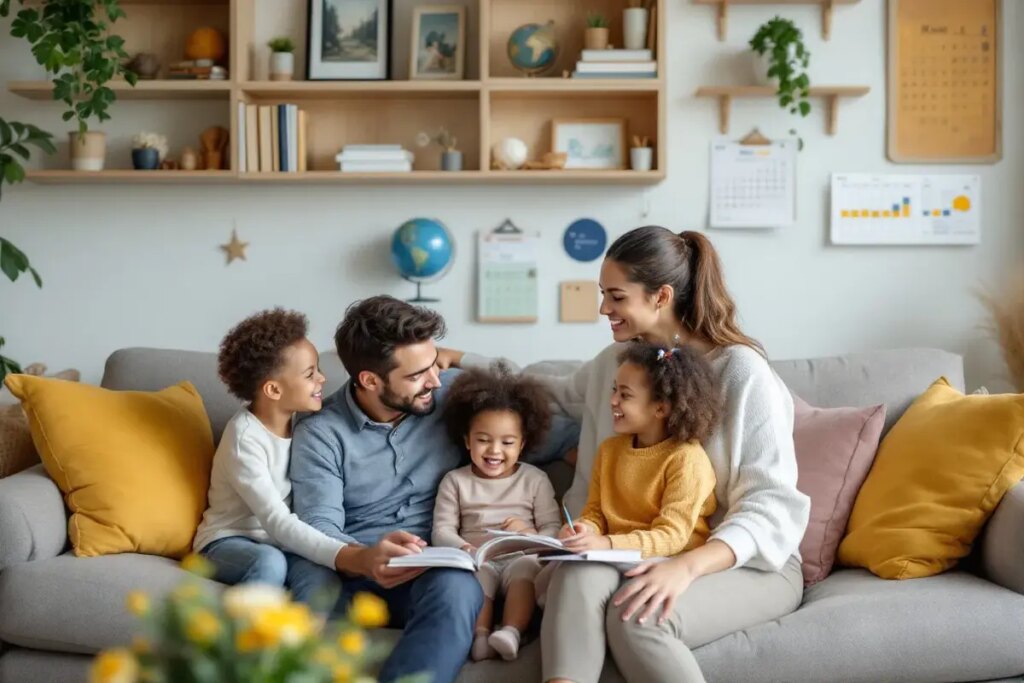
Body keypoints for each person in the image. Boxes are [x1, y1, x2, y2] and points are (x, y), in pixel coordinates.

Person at [441, 226, 811, 682]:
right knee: (575, 575)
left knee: (636, 616)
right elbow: (543, 393)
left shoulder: (742, 372)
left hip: (740, 562)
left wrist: (684, 568)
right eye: (602, 294)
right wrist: (460, 358)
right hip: (631, 551)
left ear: (661, 296)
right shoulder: (615, 366)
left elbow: (771, 506)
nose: (603, 309)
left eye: (615, 296)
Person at [285, 295, 578, 683]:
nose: (436, 381)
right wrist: (364, 558)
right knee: (310, 598)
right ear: (370, 380)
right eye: (418, 375)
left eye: (434, 363)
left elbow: (559, 428)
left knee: (459, 589)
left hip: (434, 567)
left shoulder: (449, 395)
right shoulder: (320, 434)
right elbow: (317, 524)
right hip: (356, 566)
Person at [193, 308, 346, 586]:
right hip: (224, 543)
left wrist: (447, 355)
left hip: (279, 543)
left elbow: (355, 392)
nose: (322, 379)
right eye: (310, 374)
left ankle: (305, 631)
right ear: (274, 390)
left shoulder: (304, 416)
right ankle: (253, 629)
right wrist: (344, 553)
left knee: (319, 576)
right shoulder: (244, 439)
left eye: (319, 369)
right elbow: (276, 520)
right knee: (268, 562)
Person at [434, 364, 563, 662]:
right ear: (467, 440)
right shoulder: (455, 481)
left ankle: (511, 632)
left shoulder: (534, 479)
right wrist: (463, 548)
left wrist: (528, 534)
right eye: (483, 440)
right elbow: (442, 530)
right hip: (477, 558)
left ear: (522, 444)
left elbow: (552, 528)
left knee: (526, 571)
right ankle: (480, 636)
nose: (494, 451)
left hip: (521, 555)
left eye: (507, 442)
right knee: (474, 579)